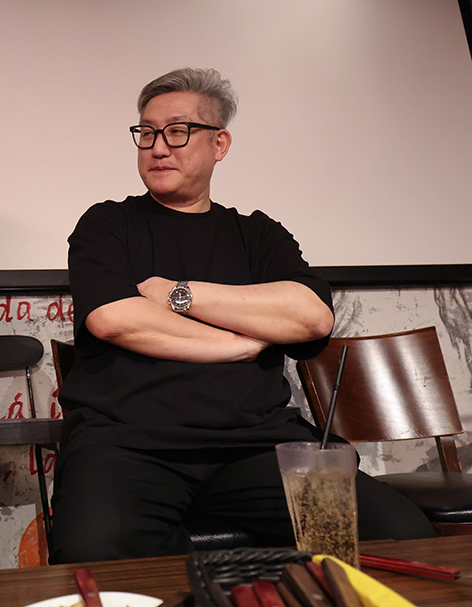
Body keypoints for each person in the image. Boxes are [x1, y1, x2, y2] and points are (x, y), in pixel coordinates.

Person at [49, 68, 434, 563]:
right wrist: (241, 342)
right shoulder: (107, 224)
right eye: (146, 133)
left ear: (220, 143)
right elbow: (115, 319)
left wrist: (176, 293)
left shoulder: (257, 235)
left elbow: (311, 318)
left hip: (256, 446)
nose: (158, 147)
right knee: (93, 552)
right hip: (126, 445)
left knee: (398, 536)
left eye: (177, 131)